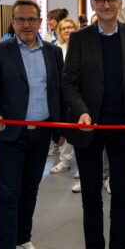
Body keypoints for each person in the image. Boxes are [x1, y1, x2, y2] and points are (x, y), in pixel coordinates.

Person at [62, 0, 125, 249]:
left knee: (122, 195)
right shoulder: (80, 38)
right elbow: (69, 82)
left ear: (120, 1)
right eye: (100, 0)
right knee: (91, 196)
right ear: (93, 4)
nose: (107, 5)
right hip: (89, 127)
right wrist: (82, 112)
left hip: (122, 128)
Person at [0, 0, 65, 249]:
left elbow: (58, 91)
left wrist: (59, 128)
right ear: (13, 22)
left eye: (31, 19)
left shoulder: (53, 53)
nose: (26, 25)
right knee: (9, 194)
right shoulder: (0, 51)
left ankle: (22, 240)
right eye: (20, 20)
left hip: (41, 134)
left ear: (40, 21)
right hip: (11, 136)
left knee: (30, 190)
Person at [50, 18, 79, 174]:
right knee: (63, 129)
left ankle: (82, 167)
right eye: (64, 28)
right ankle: (64, 161)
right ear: (59, 32)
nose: (67, 31)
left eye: (70, 27)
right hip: (62, 95)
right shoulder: (56, 49)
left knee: (80, 131)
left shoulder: (83, 47)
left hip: (79, 95)